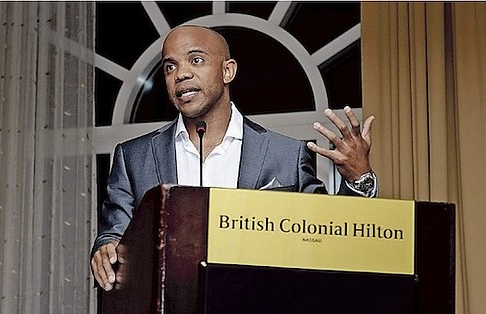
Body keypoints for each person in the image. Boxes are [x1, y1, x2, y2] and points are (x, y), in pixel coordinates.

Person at [91, 25, 379, 291]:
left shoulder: (287, 155)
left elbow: (329, 240)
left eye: (196, 60)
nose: (180, 74)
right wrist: (106, 250)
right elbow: (114, 236)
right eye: (170, 66)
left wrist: (357, 179)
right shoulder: (133, 157)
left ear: (228, 71)